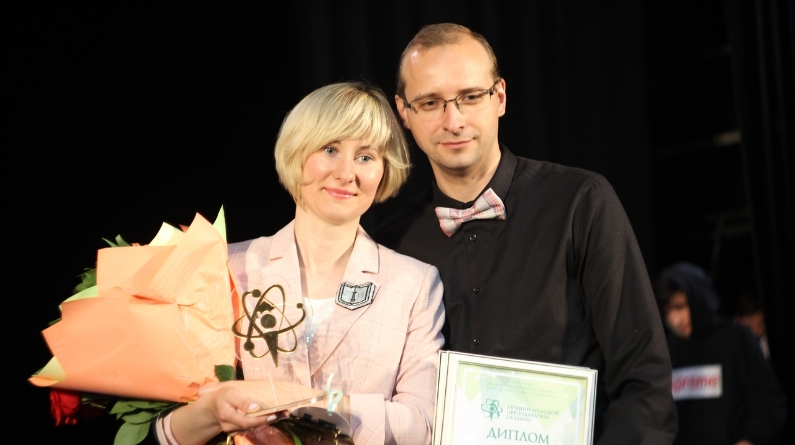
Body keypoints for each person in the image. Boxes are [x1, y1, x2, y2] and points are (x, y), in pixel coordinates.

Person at [375, 23, 678, 443]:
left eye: (470, 96)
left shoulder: (580, 202)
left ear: (499, 97)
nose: (453, 120)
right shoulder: (390, 246)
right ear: (404, 113)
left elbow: (644, 381)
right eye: (430, 103)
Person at [155, 82, 445, 445]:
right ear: (297, 152)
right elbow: (164, 425)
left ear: (385, 170)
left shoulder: (415, 283)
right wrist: (214, 411)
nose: (346, 173)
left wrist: (302, 403)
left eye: (366, 157)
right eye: (330, 149)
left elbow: (422, 425)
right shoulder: (226, 267)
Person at [655, 262, 786, 444]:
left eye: (680, 306)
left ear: (697, 298)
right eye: (668, 311)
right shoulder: (667, 350)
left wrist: (749, 440)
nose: (675, 320)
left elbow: (769, 403)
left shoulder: (736, 339)